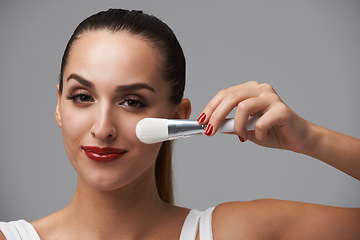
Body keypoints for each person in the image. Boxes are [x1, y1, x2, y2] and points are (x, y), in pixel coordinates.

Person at [1, 8, 359, 240]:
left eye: (131, 102)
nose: (103, 127)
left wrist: (311, 139)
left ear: (176, 118)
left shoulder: (237, 232)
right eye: (82, 97)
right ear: (59, 105)